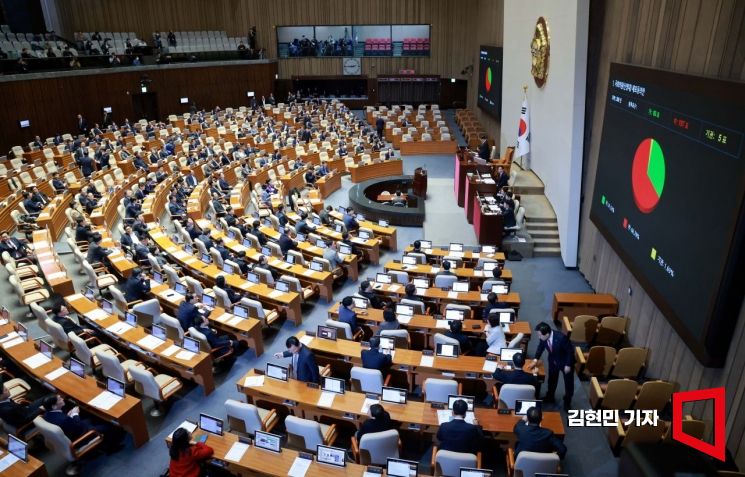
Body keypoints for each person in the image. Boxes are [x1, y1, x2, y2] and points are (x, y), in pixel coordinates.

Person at [42, 394, 124, 452]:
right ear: (54, 406)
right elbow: (79, 428)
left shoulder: (47, 415)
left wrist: (69, 416)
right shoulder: (64, 420)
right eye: (59, 399)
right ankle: (111, 447)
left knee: (90, 417)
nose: (62, 399)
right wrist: (75, 414)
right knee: (109, 425)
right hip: (81, 435)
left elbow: (63, 422)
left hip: (70, 430)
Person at [534, 322, 574, 410]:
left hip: (565, 363)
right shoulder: (543, 337)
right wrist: (535, 359)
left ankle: (567, 402)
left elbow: (570, 352)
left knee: (568, 384)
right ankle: (550, 397)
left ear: (547, 334)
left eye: (540, 335)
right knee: (552, 380)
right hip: (553, 361)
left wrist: (568, 364)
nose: (539, 337)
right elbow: (540, 347)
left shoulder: (561, 338)